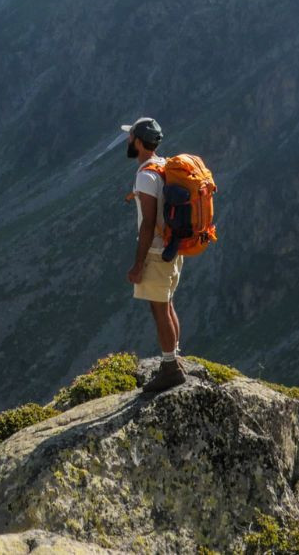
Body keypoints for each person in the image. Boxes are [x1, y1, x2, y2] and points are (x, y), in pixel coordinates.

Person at [121, 117, 186, 392]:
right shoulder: (163, 166)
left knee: (159, 308)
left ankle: (171, 368)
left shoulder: (146, 176)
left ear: (138, 141)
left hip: (157, 251)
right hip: (172, 248)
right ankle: (175, 357)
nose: (127, 141)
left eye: (130, 137)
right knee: (166, 304)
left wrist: (138, 263)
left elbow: (148, 223)